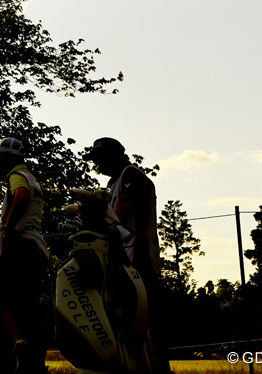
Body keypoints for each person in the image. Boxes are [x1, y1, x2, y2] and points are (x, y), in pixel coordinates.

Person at [82, 137, 170, 374]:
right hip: (124, 256)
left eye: (101, 159)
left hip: (138, 255)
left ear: (116, 155)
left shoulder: (131, 176)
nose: (98, 165)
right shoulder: (116, 182)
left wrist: (95, 221)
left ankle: (159, 367)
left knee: (145, 316)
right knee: (127, 318)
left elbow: (119, 214)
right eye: (95, 160)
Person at [0, 137, 48, 374]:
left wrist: (9, 229)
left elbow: (21, 196)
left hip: (19, 245)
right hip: (36, 247)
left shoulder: (17, 176)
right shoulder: (33, 178)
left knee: (6, 300)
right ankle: (37, 357)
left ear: (7, 158)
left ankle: (19, 343)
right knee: (29, 303)